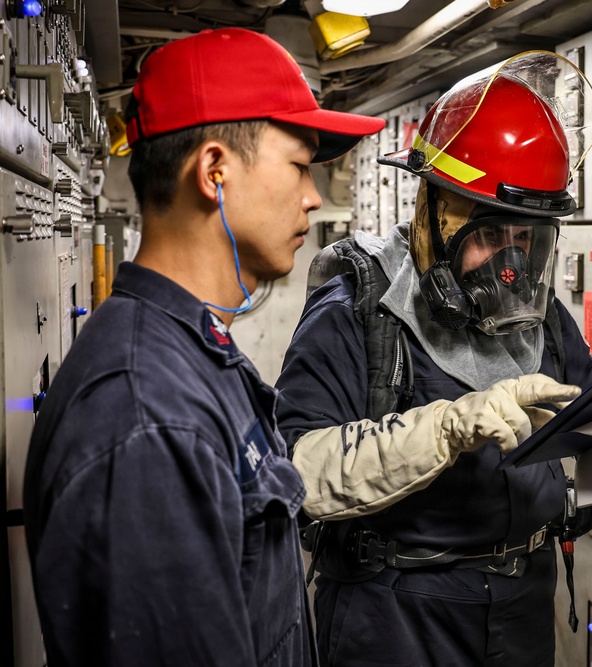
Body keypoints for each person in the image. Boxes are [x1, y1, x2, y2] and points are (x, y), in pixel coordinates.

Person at [22, 28, 385, 667]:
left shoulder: (194, 354)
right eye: (300, 167)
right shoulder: (146, 418)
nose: (313, 198)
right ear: (214, 170)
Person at [275, 51, 592, 666]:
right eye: (487, 235)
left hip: (521, 608)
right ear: (431, 212)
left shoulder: (543, 316)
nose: (510, 264)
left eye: (526, 239)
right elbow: (297, 471)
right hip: (396, 615)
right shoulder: (359, 307)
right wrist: (447, 429)